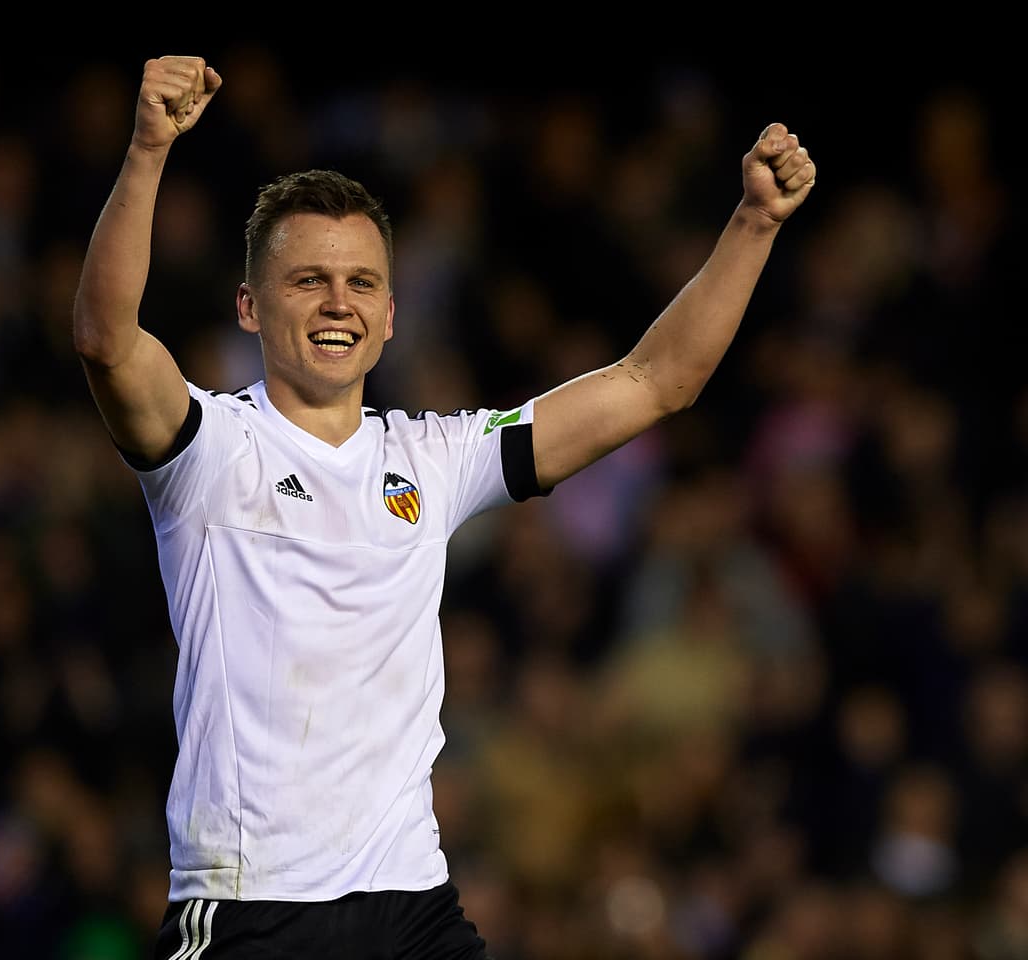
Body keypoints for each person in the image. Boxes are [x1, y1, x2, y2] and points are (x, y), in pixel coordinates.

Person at [72, 54, 816, 960]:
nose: (338, 302)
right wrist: (150, 149)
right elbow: (107, 341)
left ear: (390, 316)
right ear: (250, 307)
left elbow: (653, 382)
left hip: (411, 907)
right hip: (251, 912)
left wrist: (751, 224)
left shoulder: (432, 457)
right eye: (307, 279)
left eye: (362, 283)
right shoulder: (207, 449)